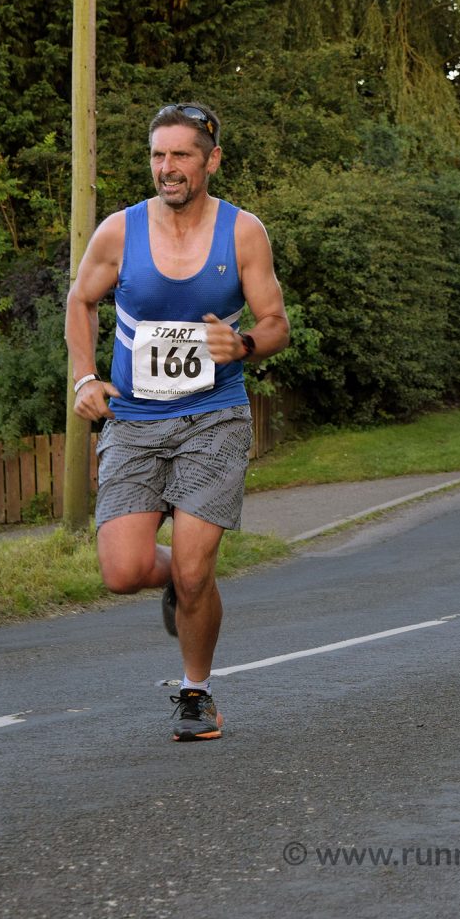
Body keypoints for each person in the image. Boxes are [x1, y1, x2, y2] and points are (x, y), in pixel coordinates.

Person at [65, 102, 290, 741]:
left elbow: (276, 323)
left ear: (211, 160)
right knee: (122, 573)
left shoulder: (244, 233)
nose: (168, 168)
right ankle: (178, 584)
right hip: (133, 419)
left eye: (181, 155)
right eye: (158, 155)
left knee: (197, 571)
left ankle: (196, 691)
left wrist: (242, 345)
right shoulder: (119, 231)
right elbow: (80, 303)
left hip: (213, 417)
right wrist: (85, 378)